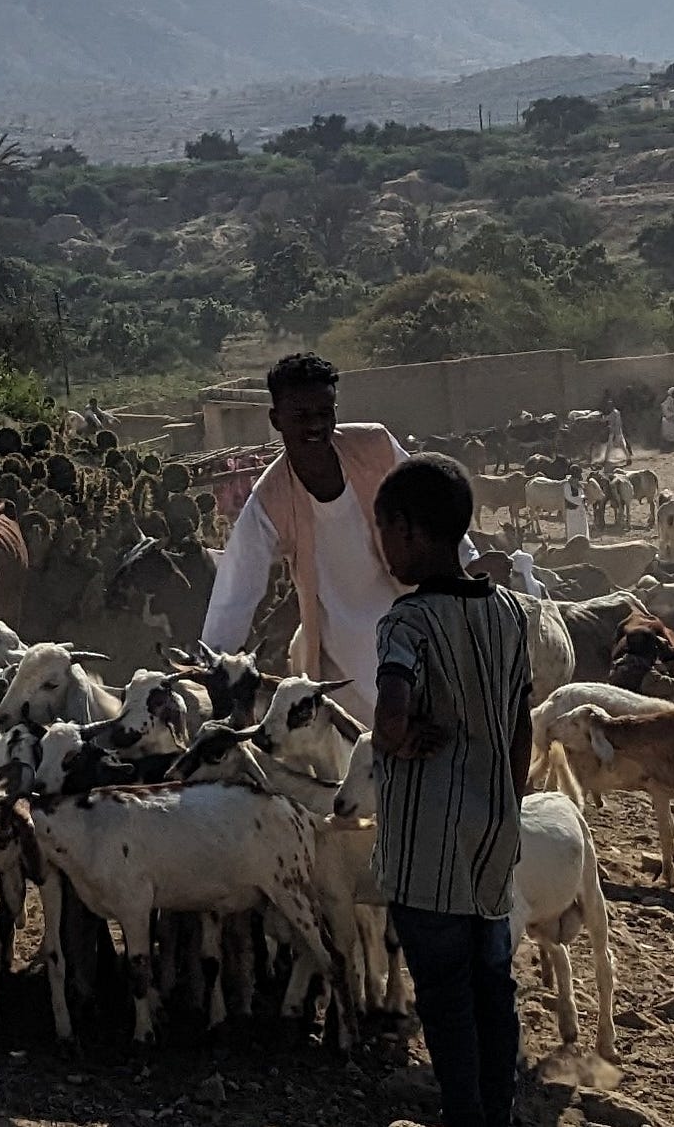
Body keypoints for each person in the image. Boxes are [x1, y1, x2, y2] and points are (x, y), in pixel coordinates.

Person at [370, 454, 532, 1127]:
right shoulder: (512, 614)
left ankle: (464, 1113)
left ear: (409, 531)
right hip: (493, 833)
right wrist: (507, 802)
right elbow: (521, 724)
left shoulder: (406, 622)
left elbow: (389, 713)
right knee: (494, 985)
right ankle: (499, 1110)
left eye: (384, 532)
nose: (383, 548)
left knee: (444, 992)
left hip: (425, 846)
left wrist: (398, 740)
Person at [201, 352, 479, 727]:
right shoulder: (270, 499)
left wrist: (468, 563)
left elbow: (429, 500)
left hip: (412, 616)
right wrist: (212, 662)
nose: (315, 426)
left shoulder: (376, 446)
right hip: (341, 650)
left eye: (325, 413)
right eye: (301, 416)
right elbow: (236, 590)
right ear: (276, 420)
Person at [601, 394, 630, 466]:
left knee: (612, 446)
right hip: (617, 432)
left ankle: (606, 460)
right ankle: (628, 459)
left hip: (615, 433)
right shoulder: (615, 413)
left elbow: (613, 422)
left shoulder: (614, 413)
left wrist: (614, 433)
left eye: (609, 405)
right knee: (621, 446)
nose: (608, 407)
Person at [564, 465, 589, 541]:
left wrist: (584, 499)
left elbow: (582, 494)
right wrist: (581, 499)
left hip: (581, 511)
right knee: (573, 531)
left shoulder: (579, 486)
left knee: (582, 529)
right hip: (572, 512)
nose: (576, 480)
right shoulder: (567, 485)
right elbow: (569, 497)